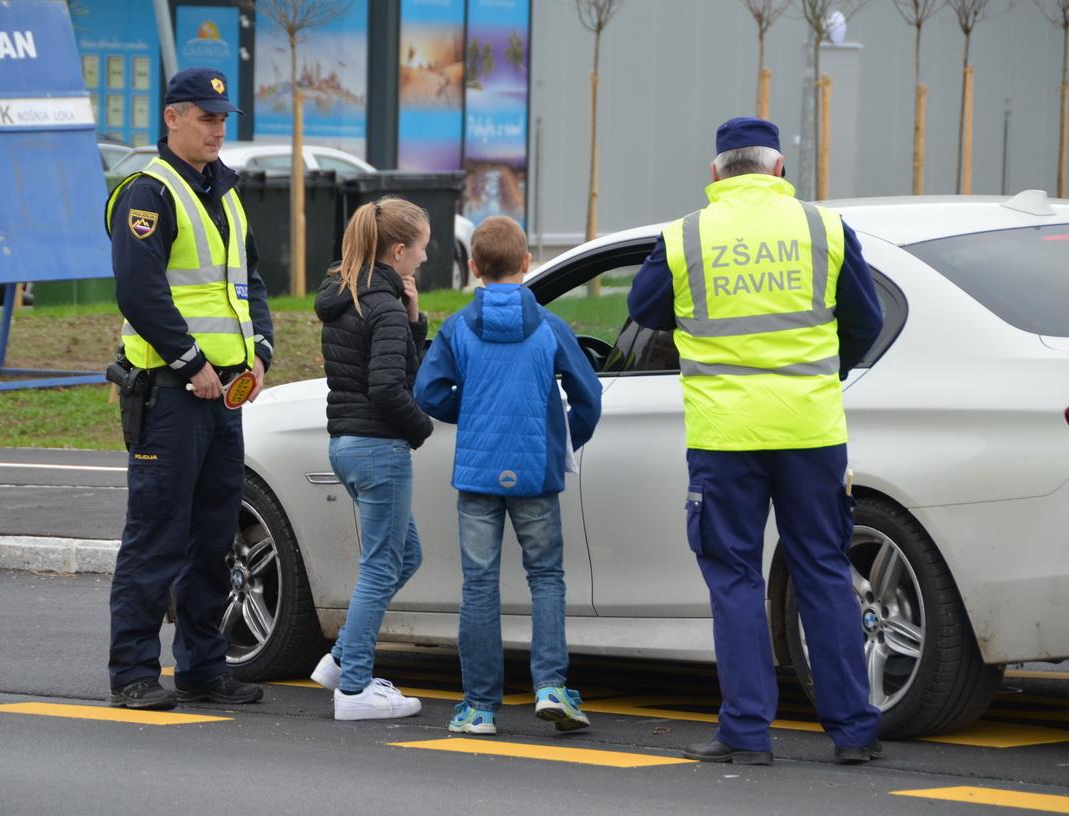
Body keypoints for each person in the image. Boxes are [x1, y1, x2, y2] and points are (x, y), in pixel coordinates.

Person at [627, 117, 885, 765]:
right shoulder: (822, 228)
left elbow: (645, 309)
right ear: (778, 169)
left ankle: (746, 732)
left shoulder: (687, 235)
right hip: (811, 431)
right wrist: (826, 374)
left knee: (736, 579)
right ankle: (854, 732)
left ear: (716, 172)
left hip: (725, 437)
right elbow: (867, 321)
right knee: (824, 571)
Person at [104, 67, 274, 711]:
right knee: (157, 535)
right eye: (206, 117)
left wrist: (259, 351)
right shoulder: (149, 194)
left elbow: (248, 281)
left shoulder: (224, 192)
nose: (218, 127)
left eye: (223, 117)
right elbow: (139, 292)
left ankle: (204, 667)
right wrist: (189, 361)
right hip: (171, 395)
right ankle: (133, 674)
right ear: (172, 117)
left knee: (213, 536)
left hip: (225, 393)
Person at [414, 216, 602, 736]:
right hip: (536, 472)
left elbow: (428, 393)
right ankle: (550, 686)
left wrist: (469, 412)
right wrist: (565, 438)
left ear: (473, 267)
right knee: (545, 578)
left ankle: (478, 708)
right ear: (526, 263)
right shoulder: (549, 326)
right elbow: (589, 395)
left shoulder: (457, 328)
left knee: (478, 586)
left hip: (476, 474)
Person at [307, 197, 434, 721]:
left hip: (347, 445)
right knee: (382, 566)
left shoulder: (351, 298)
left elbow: (388, 364)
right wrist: (421, 428)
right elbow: (389, 385)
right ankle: (356, 688)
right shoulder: (379, 307)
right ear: (399, 250)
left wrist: (414, 318)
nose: (425, 260)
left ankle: (340, 663)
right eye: (422, 249)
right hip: (380, 447)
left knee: (405, 557)